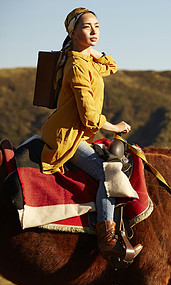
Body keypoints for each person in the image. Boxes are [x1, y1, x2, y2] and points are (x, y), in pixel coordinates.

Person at [40, 7, 142, 263]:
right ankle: (107, 239)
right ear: (72, 32)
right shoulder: (76, 64)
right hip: (70, 137)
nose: (94, 31)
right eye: (87, 27)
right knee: (110, 173)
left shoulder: (84, 59)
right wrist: (116, 127)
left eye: (97, 26)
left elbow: (111, 66)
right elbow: (89, 116)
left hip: (79, 134)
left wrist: (90, 48)